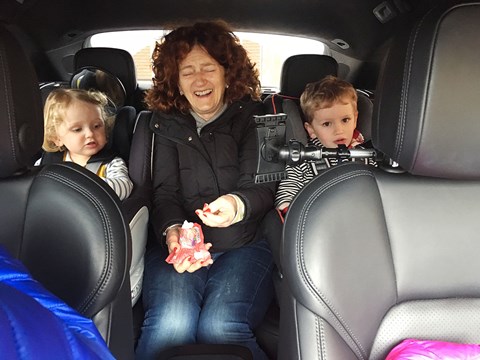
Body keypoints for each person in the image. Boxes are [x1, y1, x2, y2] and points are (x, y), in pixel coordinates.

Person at [135, 20, 275, 360]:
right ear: (176, 82)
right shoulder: (161, 123)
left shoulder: (263, 118)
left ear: (228, 73)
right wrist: (172, 233)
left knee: (221, 327)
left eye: (209, 68)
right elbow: (164, 194)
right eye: (187, 72)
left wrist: (235, 204)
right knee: (171, 326)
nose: (199, 80)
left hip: (244, 244)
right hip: (180, 250)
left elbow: (267, 186)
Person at [275, 75, 377, 215]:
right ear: (311, 130)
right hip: (322, 222)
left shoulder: (367, 156)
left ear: (355, 120)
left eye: (345, 120)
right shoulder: (303, 159)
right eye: (327, 124)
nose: (339, 130)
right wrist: (291, 209)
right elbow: (287, 193)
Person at [38, 88, 133, 201]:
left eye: (97, 126)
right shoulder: (47, 162)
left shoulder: (111, 163)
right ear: (57, 138)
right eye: (77, 129)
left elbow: (124, 187)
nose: (90, 134)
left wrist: (81, 184)